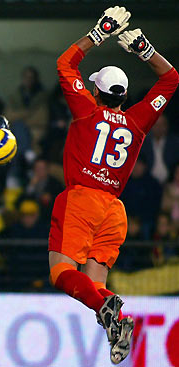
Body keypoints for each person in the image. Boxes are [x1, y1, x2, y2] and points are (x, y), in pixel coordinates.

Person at [48, 6, 178, 365]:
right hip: (114, 209)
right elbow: (171, 80)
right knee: (96, 283)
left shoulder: (86, 110)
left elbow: (64, 65)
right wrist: (144, 50)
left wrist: (99, 32)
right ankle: (116, 320)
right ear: (123, 95)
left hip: (81, 200)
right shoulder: (138, 121)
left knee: (62, 273)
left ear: (96, 89)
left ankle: (107, 306)